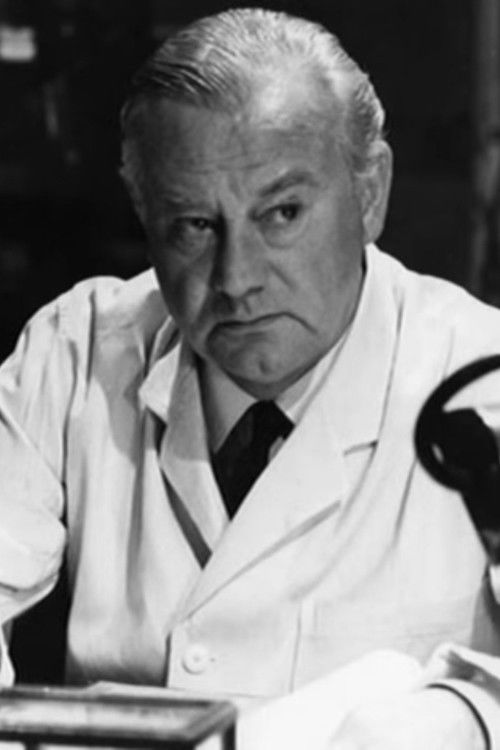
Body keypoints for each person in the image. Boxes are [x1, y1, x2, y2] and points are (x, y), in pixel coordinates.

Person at [1, 7, 500, 748]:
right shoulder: (79, 351)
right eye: (194, 226)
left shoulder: (480, 378)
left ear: (370, 193)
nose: (236, 280)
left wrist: (465, 716)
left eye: (282, 213)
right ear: (144, 213)